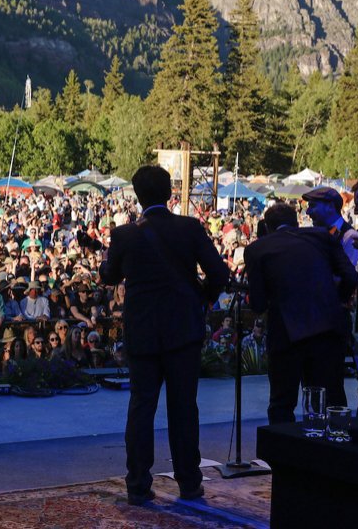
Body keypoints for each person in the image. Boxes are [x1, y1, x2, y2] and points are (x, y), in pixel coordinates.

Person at [99, 165, 229, 505]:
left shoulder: (124, 235)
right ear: (170, 192)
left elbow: (109, 276)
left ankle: (138, 485)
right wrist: (202, 297)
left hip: (142, 331)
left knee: (142, 406)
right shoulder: (189, 228)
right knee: (183, 407)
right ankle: (189, 482)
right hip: (182, 330)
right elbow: (219, 272)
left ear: (137, 195)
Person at [244, 202, 357, 424]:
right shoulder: (322, 237)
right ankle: (334, 451)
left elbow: (257, 304)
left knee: (282, 402)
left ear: (267, 227)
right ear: (297, 223)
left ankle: (284, 455)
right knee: (331, 398)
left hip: (286, 332)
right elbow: (351, 277)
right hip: (328, 326)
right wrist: (337, 301)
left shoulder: (257, 249)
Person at [304, 186, 358, 268]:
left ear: (330, 207)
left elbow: (348, 275)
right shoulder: (321, 233)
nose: (307, 212)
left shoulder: (350, 236)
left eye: (312, 206)